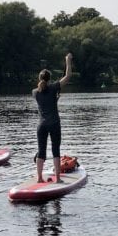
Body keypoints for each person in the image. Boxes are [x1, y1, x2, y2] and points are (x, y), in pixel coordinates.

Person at [33, 53, 72, 183]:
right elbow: (68, 76)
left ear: (39, 79)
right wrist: (68, 61)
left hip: (41, 125)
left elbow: (45, 100)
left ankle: (39, 178)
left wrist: (55, 99)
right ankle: (58, 179)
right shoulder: (54, 87)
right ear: (49, 79)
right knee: (55, 150)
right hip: (54, 124)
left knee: (41, 152)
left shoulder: (35, 92)